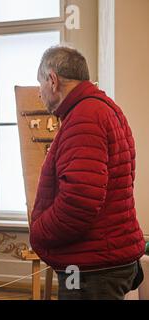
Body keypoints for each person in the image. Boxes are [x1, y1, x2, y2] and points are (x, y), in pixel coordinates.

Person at [30, 46, 145, 300]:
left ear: (53, 80)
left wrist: (38, 231)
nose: (39, 93)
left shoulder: (85, 116)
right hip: (106, 258)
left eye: (39, 83)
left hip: (91, 268)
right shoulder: (105, 108)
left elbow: (79, 201)